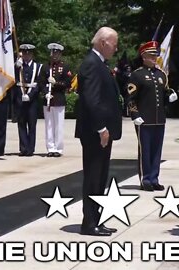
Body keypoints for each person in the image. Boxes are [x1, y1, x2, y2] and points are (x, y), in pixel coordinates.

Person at [75, 27, 122, 236]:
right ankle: (89, 222)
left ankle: (96, 218)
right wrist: (101, 128)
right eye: (114, 43)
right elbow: (91, 100)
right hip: (95, 132)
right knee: (93, 177)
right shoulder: (91, 65)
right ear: (103, 42)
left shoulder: (99, 64)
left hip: (101, 131)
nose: (116, 48)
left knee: (100, 177)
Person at [127, 41, 178, 191]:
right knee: (145, 150)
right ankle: (146, 178)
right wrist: (134, 114)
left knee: (157, 150)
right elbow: (131, 98)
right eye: (151, 55)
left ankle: (154, 178)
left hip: (158, 119)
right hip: (144, 119)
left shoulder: (161, 74)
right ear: (144, 56)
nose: (154, 58)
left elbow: (164, 94)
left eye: (155, 55)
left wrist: (170, 96)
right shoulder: (137, 75)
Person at [41, 43, 72, 157]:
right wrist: (45, 93)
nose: (54, 55)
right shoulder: (45, 66)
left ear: (60, 54)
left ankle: (58, 148)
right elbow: (41, 82)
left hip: (59, 99)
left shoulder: (65, 67)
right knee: (49, 125)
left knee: (58, 125)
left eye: (56, 53)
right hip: (48, 100)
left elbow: (67, 83)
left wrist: (56, 83)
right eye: (53, 53)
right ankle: (50, 147)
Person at [13, 44, 42, 156]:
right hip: (20, 99)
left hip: (32, 101)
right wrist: (16, 67)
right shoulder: (18, 67)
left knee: (31, 125)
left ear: (32, 55)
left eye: (28, 53)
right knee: (21, 124)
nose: (26, 55)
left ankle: (30, 149)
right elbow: (13, 81)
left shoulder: (37, 67)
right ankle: (23, 148)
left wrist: (30, 95)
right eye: (24, 53)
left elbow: (39, 84)